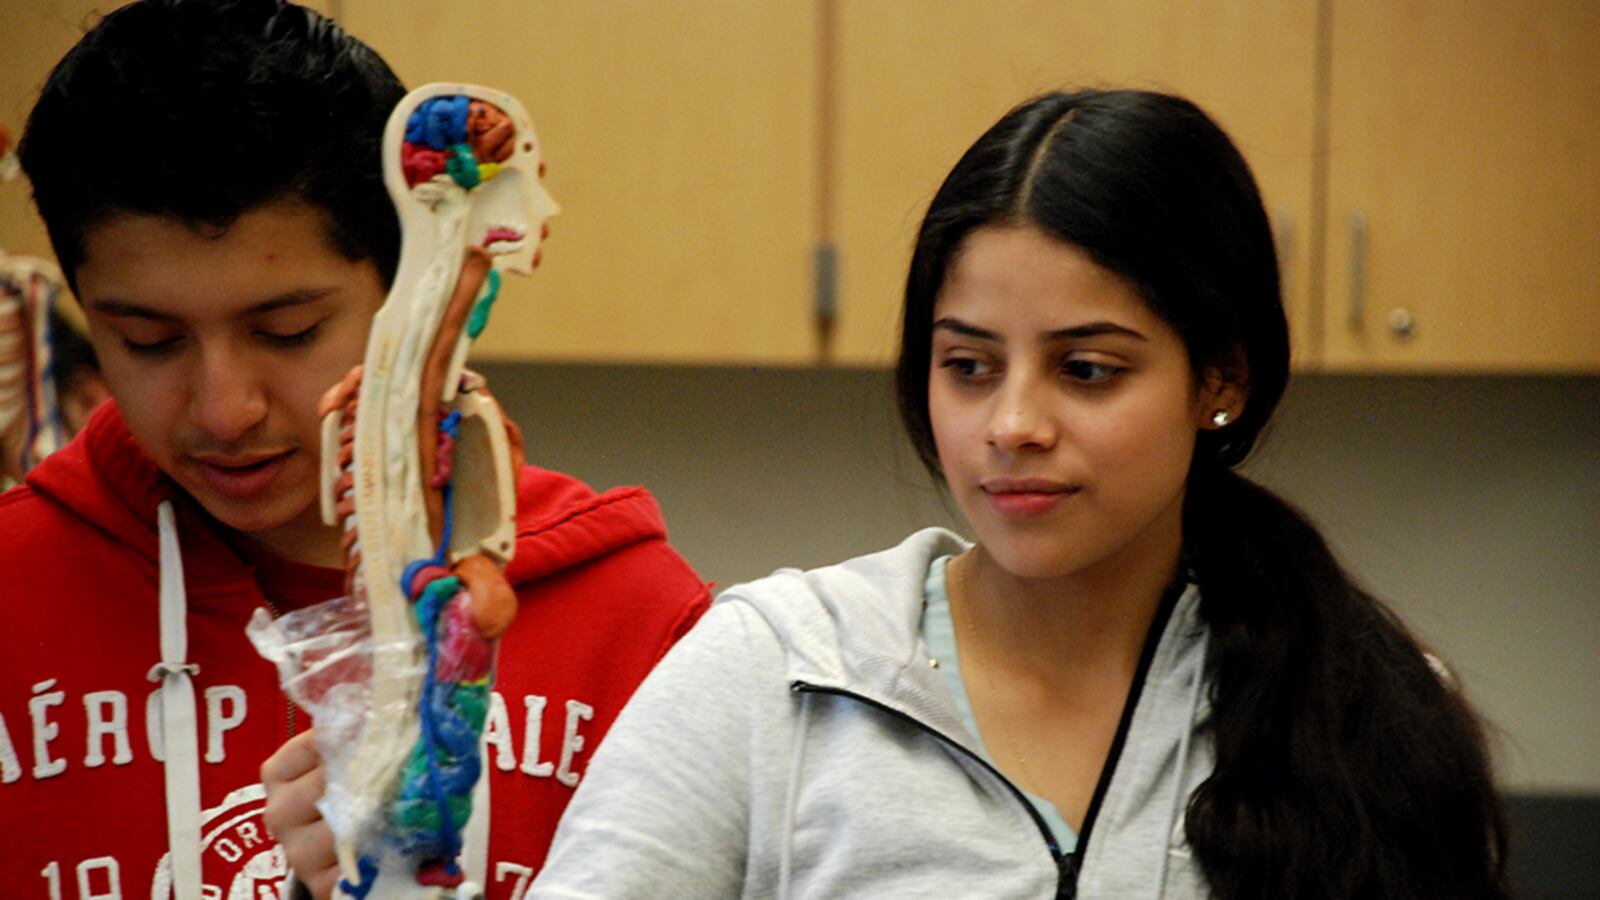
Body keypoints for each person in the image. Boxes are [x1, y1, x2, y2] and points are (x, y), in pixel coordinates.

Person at [526, 90, 1510, 899]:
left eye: (1085, 369)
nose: (1010, 424)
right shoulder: (771, 672)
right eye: (968, 364)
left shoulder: (1367, 712)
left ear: (1220, 378)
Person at [0, 2, 710, 897]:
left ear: (411, 288)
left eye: (289, 330)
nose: (224, 409)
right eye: (149, 341)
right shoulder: (12, 599)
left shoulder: (634, 628)